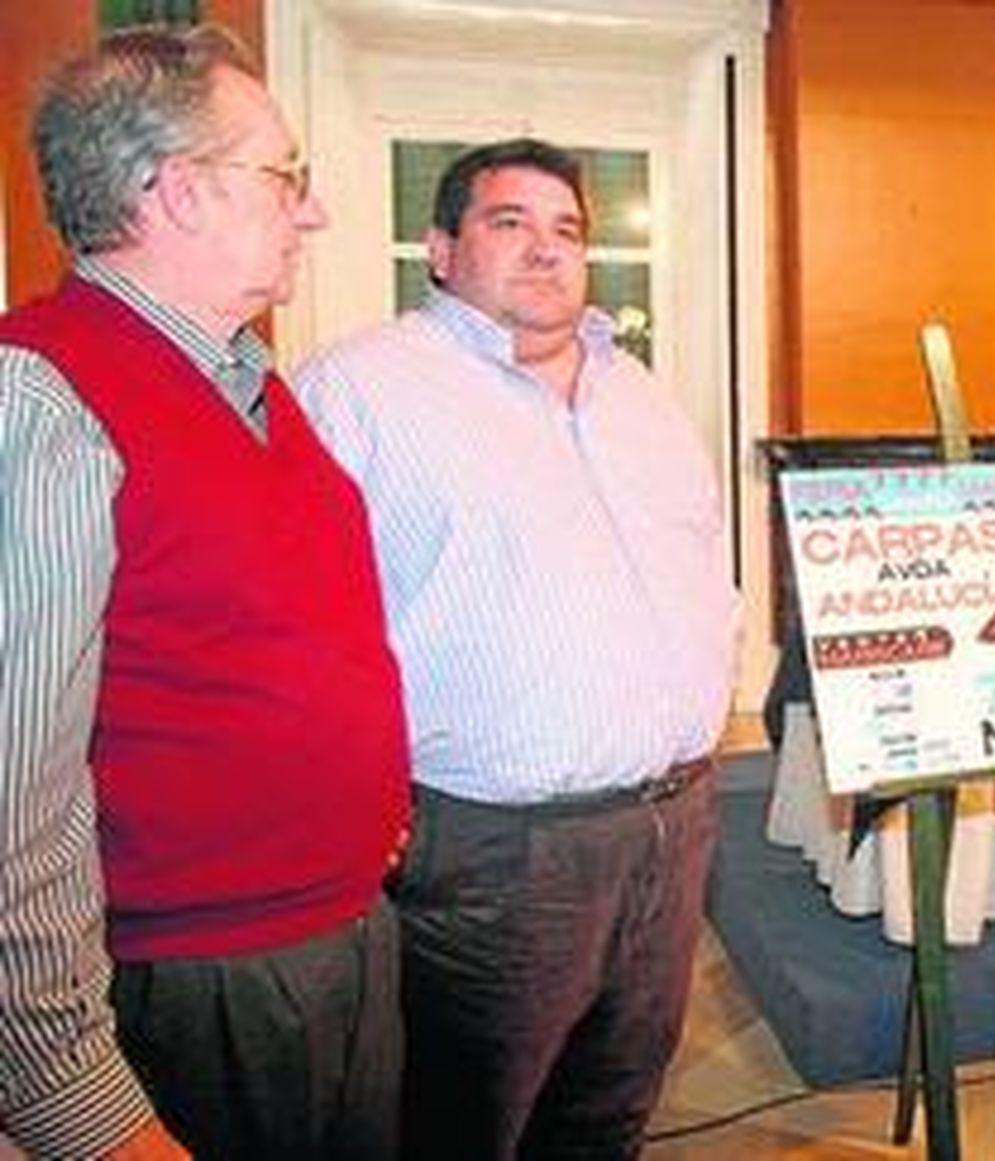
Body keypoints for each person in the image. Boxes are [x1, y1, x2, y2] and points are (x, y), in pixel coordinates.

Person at [0, 25, 411, 1160]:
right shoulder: (40, 396)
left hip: (334, 936)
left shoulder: (249, 381)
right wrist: (76, 1104)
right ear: (179, 192)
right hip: (196, 989)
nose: (312, 212)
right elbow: (7, 803)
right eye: (287, 177)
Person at [292, 137, 739, 1160]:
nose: (545, 249)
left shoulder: (642, 395)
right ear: (440, 249)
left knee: (607, 1118)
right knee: (458, 1126)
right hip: (497, 855)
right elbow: (310, 626)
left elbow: (706, 566)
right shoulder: (358, 390)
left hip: (671, 832)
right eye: (509, 223)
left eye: (567, 229)